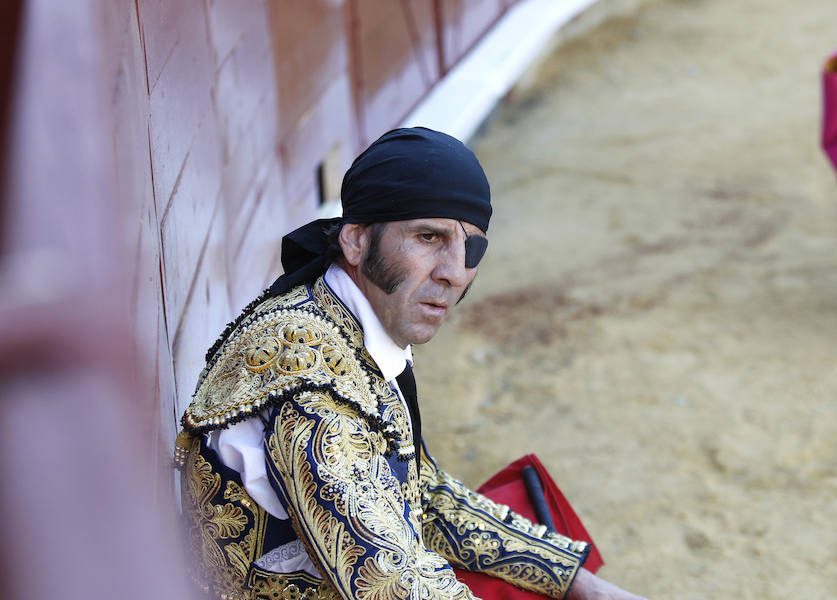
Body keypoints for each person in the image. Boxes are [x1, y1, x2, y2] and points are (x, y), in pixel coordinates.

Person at [174, 127, 646, 600]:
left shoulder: (343, 315)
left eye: (471, 248)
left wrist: (582, 584)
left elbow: (422, 492)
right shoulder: (311, 383)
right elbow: (390, 582)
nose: (455, 272)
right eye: (428, 237)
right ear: (356, 241)